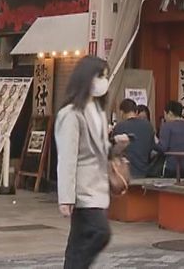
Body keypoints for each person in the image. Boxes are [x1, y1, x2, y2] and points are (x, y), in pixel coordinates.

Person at [56, 55, 125, 269]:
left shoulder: (98, 111)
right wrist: (65, 196)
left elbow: (101, 149)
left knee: (78, 241)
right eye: (100, 76)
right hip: (83, 190)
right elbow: (67, 157)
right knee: (100, 232)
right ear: (87, 78)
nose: (104, 81)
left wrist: (117, 147)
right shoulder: (71, 114)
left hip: (98, 187)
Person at [111, 98, 154, 179]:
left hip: (125, 174)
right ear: (136, 112)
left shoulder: (119, 127)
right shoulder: (148, 126)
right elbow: (152, 147)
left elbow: (114, 151)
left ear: (121, 112)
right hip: (144, 173)